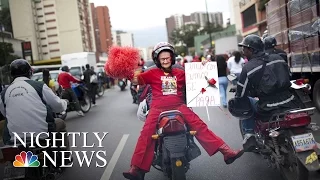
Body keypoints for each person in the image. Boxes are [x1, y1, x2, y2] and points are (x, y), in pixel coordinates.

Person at [123, 42, 244, 180]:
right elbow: (136, 81)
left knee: (201, 126)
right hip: (157, 109)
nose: (166, 61)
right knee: (145, 134)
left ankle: (226, 152)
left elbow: (198, 80)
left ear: (172, 58)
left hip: (180, 107)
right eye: (162, 59)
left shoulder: (180, 73)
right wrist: (133, 70)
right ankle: (136, 168)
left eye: (168, 58)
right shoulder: (151, 73)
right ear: (157, 60)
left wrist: (203, 68)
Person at [230, 34, 300, 150]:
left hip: (267, 106)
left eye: (244, 48)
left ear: (251, 50)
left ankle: (249, 134)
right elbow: (289, 76)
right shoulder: (278, 58)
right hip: (290, 100)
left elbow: (241, 94)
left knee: (245, 101)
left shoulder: (248, 68)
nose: (242, 51)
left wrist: (240, 96)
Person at [0, 59, 70, 152]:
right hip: (41, 134)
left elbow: (4, 113)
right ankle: (65, 156)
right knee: (60, 123)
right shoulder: (39, 86)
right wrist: (65, 102)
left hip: (13, 138)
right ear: (30, 72)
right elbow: (58, 106)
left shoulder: (4, 93)